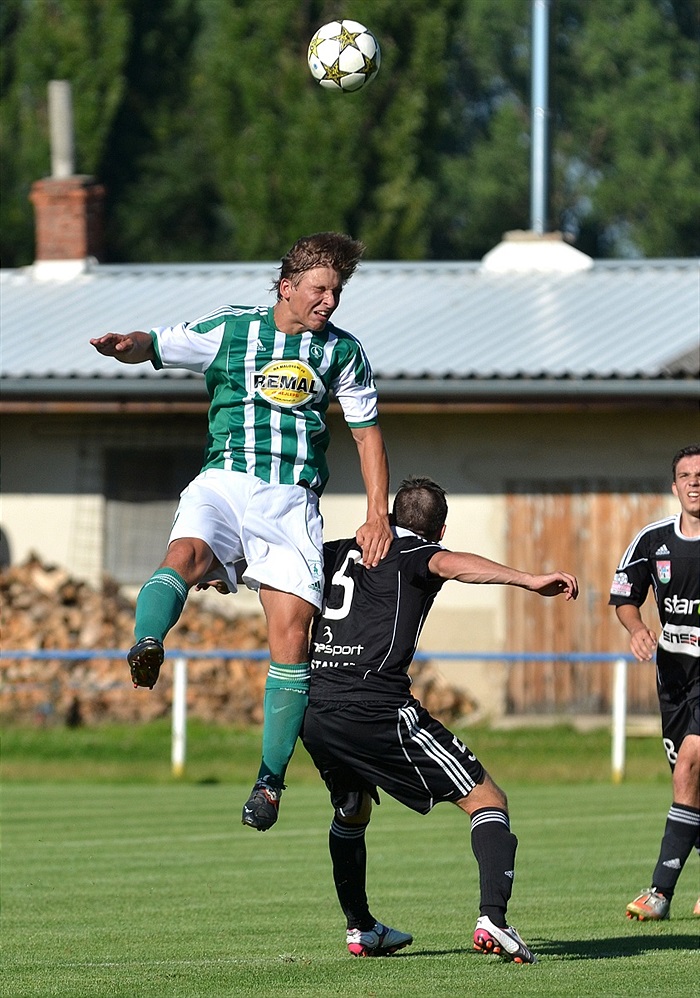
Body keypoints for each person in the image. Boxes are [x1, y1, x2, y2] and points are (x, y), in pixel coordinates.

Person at [90, 232, 392, 830]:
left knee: (291, 635)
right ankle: (148, 642)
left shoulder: (344, 352)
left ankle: (269, 781)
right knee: (185, 553)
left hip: (291, 500)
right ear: (287, 287)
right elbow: (159, 344)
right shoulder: (234, 328)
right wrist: (128, 345)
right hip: (226, 480)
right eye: (320, 290)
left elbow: (367, 433)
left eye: (336, 292)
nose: (329, 302)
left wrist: (377, 510)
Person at [300, 475, 579, 960]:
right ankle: (494, 919)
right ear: (441, 529)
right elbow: (456, 566)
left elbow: (276, 568)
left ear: (387, 514)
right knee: (487, 797)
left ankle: (360, 927)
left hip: (316, 706)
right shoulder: (418, 554)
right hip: (376, 706)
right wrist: (528, 579)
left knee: (352, 809)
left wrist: (220, 572)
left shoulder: (334, 550)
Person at [609, 444, 700, 921]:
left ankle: (660, 892)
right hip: (674, 678)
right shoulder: (653, 539)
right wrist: (638, 628)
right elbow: (625, 594)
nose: (694, 482)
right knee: (688, 781)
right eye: (685, 475)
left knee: (690, 766)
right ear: (674, 486)